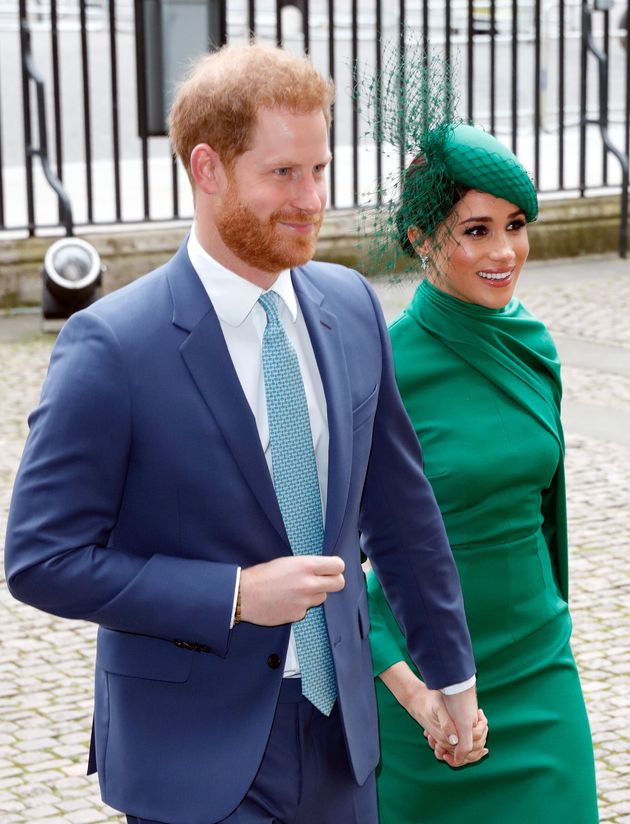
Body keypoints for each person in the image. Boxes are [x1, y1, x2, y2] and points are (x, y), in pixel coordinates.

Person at [4, 45, 483, 824]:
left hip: (341, 744)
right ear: (208, 169)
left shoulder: (352, 307)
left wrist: (451, 677)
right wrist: (233, 595)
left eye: (320, 169)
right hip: (190, 758)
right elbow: (42, 559)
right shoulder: (112, 346)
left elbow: (401, 513)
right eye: (284, 174)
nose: (311, 199)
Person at [367, 123, 599, 822]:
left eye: (516, 224)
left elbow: (546, 514)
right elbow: (330, 556)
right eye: (475, 230)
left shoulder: (532, 344)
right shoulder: (383, 367)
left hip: (539, 669)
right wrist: (415, 692)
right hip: (421, 691)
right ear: (419, 237)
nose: (504, 252)